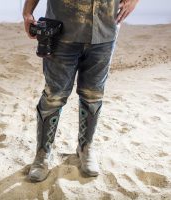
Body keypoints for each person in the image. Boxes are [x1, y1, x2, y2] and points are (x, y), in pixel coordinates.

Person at [23, 0, 140, 182]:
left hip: (104, 29)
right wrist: (27, 12)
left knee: (93, 95)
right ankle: (43, 154)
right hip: (63, 31)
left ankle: (86, 148)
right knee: (54, 95)